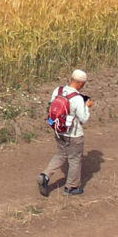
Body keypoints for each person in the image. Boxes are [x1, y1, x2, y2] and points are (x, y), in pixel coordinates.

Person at [39, 69, 90, 197]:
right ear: (80, 83)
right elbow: (83, 119)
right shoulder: (78, 98)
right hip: (73, 134)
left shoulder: (58, 90)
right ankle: (71, 187)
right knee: (74, 159)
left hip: (58, 130)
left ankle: (45, 175)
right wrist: (87, 107)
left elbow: (51, 107)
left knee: (61, 154)